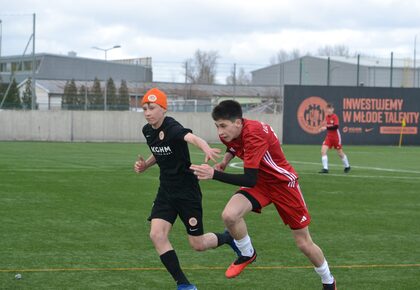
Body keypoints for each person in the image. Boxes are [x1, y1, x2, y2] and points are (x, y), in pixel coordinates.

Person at [190, 100, 337, 290]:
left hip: (283, 185)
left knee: (303, 243)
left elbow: (249, 179)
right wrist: (225, 161)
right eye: (217, 126)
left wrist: (214, 174)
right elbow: (234, 147)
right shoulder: (231, 132)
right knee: (229, 216)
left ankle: (328, 281)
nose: (220, 132)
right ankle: (247, 253)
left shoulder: (255, 134)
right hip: (261, 183)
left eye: (223, 126)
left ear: (238, 122)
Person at [134, 88, 239, 290]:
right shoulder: (147, 130)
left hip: (186, 191)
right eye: (145, 108)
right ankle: (184, 284)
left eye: (152, 108)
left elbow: (191, 138)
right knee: (157, 235)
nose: (147, 112)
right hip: (166, 191)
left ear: (163, 108)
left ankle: (227, 237)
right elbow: (159, 151)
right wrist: (146, 165)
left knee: (197, 244)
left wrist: (205, 147)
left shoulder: (172, 127)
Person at [318, 103, 350, 174]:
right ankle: (325, 169)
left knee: (340, 153)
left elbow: (336, 127)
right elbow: (328, 127)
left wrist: (325, 127)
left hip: (336, 137)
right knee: (323, 151)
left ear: (333, 109)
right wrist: (322, 128)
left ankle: (347, 166)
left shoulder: (335, 116)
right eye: (327, 109)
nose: (329, 110)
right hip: (329, 137)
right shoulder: (326, 117)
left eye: (330, 109)